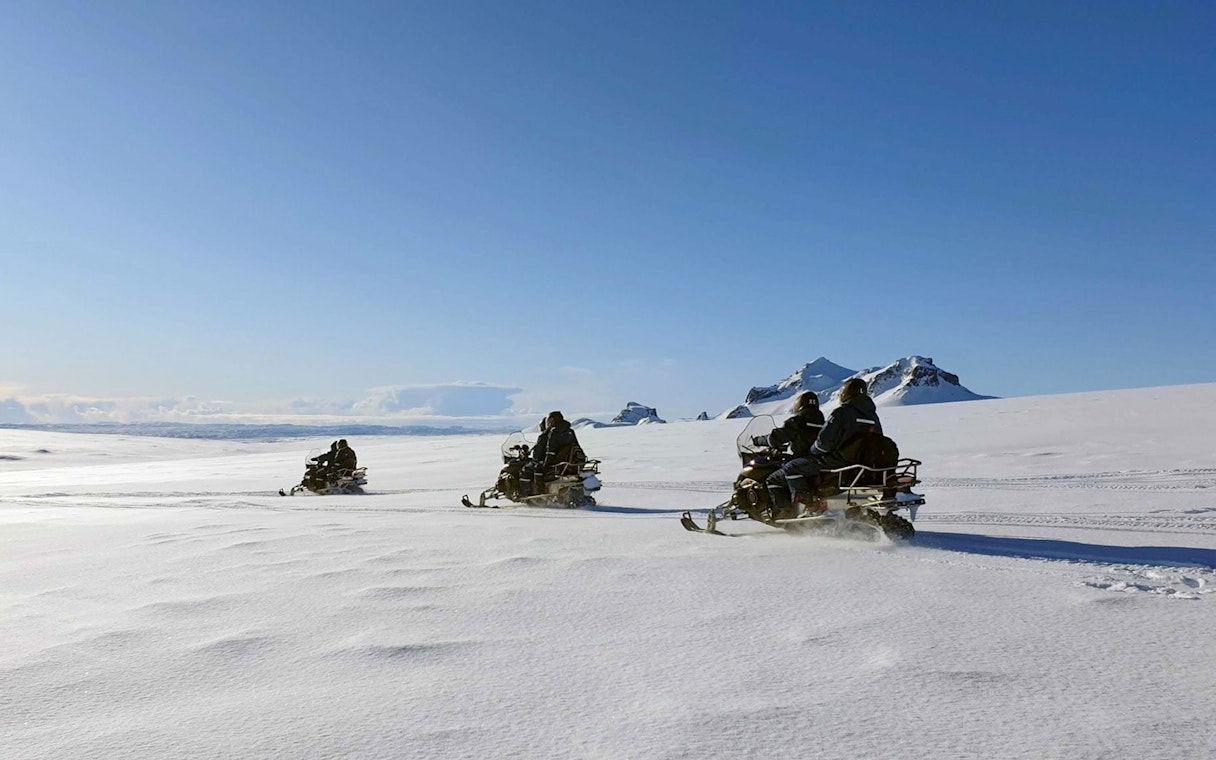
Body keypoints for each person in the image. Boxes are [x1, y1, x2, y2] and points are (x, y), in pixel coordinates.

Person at [767, 379, 882, 519]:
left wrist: (813, 452)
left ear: (845, 393)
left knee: (791, 467)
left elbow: (824, 442)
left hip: (838, 461)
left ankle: (806, 507)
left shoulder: (842, 413)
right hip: (863, 463)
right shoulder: (873, 416)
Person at [759, 392, 826, 519]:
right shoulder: (823, 422)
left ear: (799, 404)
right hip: (819, 462)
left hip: (802, 462)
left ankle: (785, 512)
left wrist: (758, 441)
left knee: (772, 479)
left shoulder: (798, 421)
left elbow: (777, 437)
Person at [540, 410, 584, 481]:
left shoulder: (554, 432)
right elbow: (576, 445)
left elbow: (551, 451)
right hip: (570, 462)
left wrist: (545, 465)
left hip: (559, 462)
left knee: (535, 471)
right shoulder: (569, 431)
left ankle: (538, 491)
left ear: (552, 420)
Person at [518, 417, 549, 497]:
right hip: (552, 460)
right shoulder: (560, 434)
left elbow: (538, 452)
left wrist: (534, 459)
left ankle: (525, 494)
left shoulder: (544, 436)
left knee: (525, 470)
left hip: (544, 462)